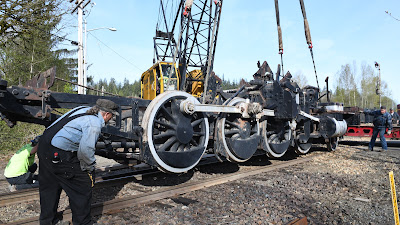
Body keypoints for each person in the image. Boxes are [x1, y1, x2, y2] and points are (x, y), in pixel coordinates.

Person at [37, 99, 119, 225]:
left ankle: (47, 221)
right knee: (82, 186)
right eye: (112, 116)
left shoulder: (82, 109)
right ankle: (82, 222)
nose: (111, 119)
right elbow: (85, 152)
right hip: (60, 153)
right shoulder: (94, 123)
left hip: (44, 147)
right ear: (106, 114)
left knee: (49, 186)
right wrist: (90, 170)